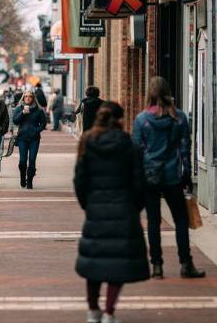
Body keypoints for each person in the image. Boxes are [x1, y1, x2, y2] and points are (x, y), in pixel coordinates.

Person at [75, 102, 149, 323]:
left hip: (96, 210)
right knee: (118, 263)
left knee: (94, 262)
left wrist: (88, 204)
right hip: (124, 209)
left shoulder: (87, 143)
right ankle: (109, 312)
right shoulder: (128, 145)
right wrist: (136, 206)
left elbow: (80, 180)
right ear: (120, 120)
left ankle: (92, 310)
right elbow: (139, 181)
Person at [132, 76, 205, 279]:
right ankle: (186, 262)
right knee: (180, 220)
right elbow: (185, 148)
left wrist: (137, 177)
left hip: (150, 176)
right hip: (172, 174)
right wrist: (187, 174)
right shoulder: (179, 117)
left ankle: (156, 264)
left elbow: (137, 150)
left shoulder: (142, 119)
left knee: (153, 221)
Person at [12, 91, 46, 189]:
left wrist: (37, 130)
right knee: (22, 160)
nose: (28, 98)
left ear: (33, 98)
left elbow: (43, 123)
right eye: (26, 97)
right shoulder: (19, 108)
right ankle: (23, 177)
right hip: (22, 138)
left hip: (34, 139)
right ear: (23, 98)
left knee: (32, 160)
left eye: (30, 97)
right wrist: (22, 113)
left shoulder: (39, 110)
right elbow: (15, 121)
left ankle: (30, 181)